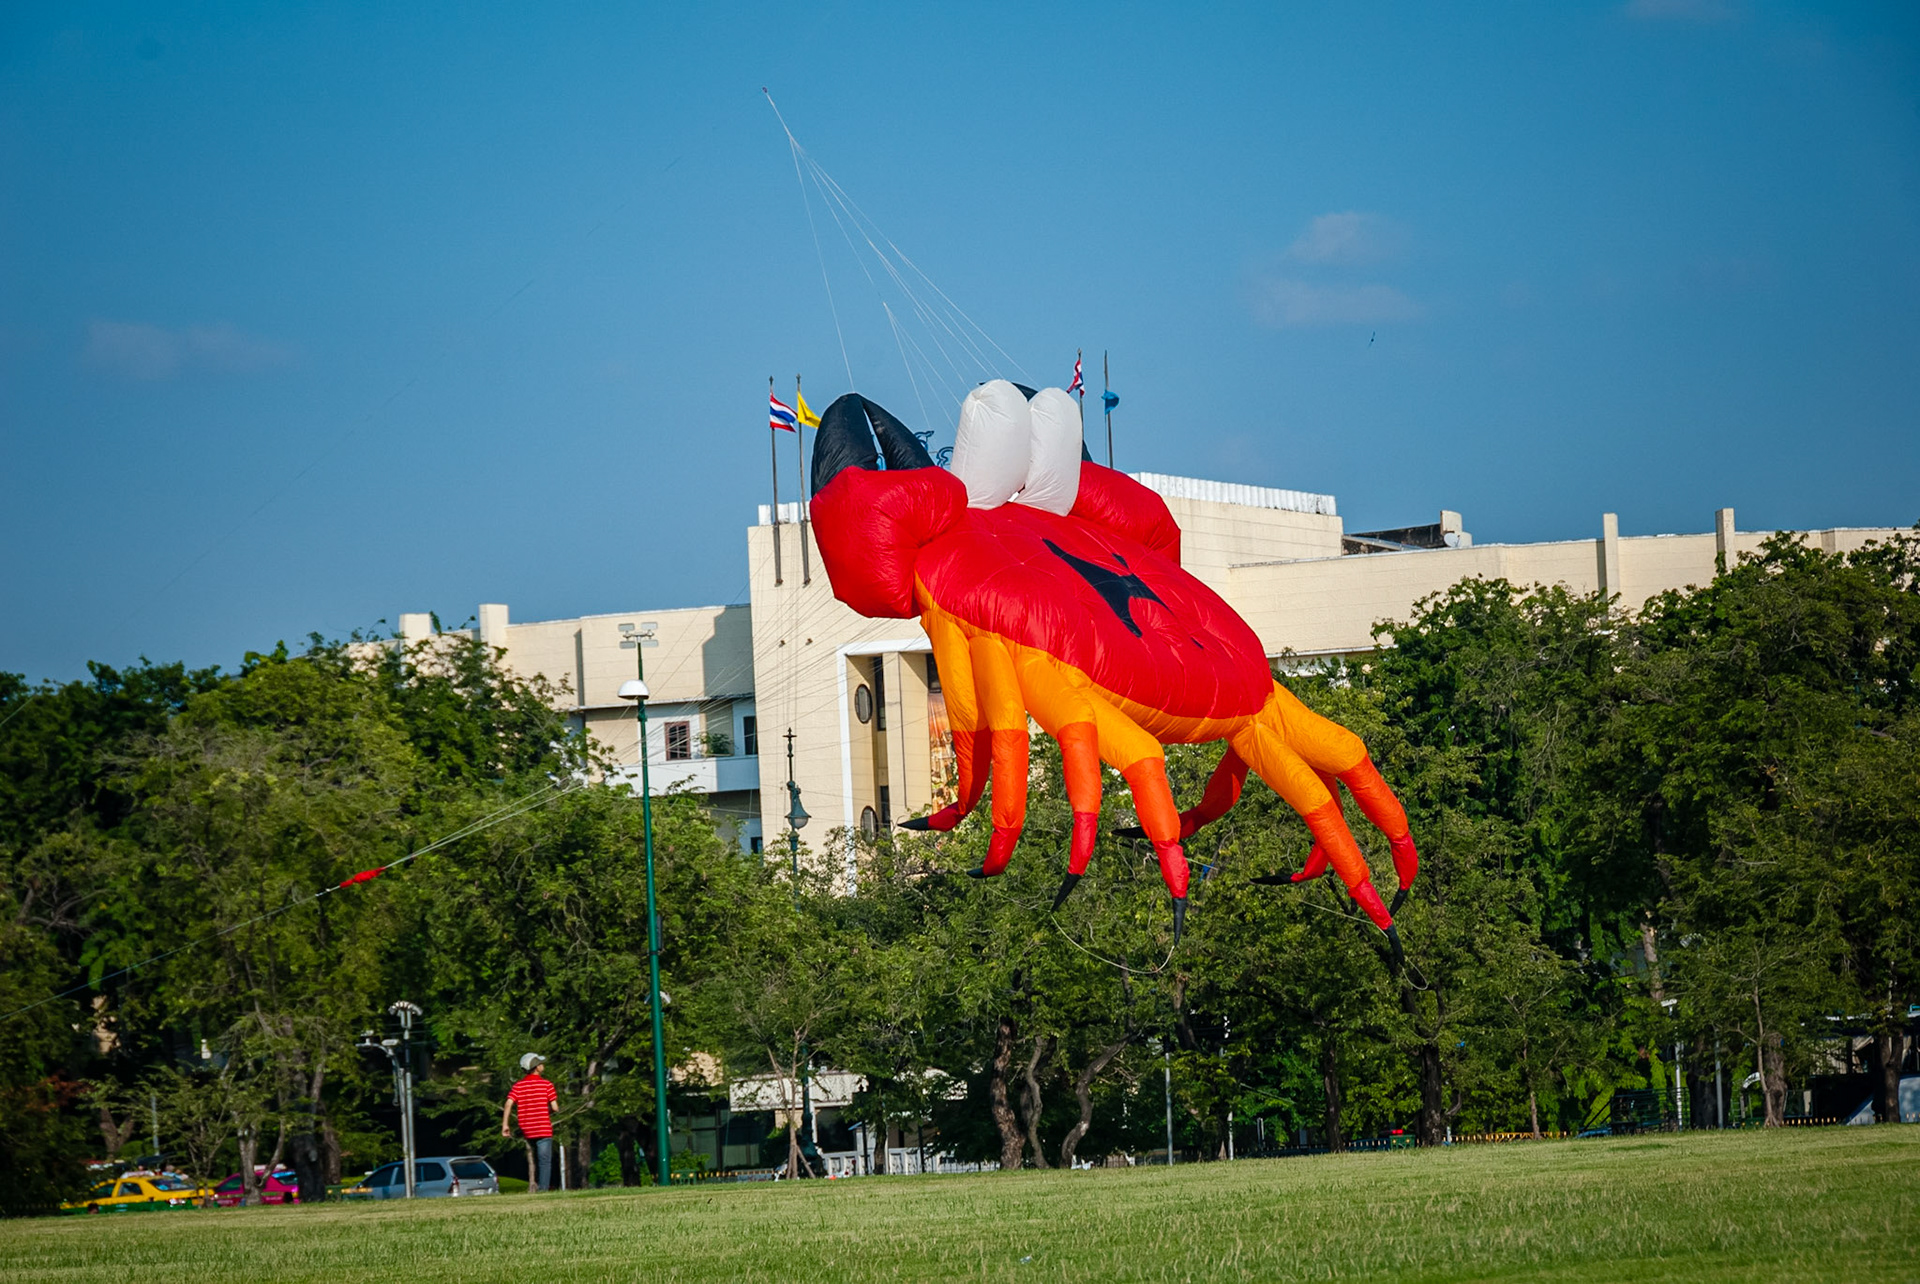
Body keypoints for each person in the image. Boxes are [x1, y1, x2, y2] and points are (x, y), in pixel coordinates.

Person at [502, 1053, 560, 1192]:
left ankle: (532, 1184)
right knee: (544, 1161)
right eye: (540, 1063)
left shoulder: (518, 1086)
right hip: (542, 1128)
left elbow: (508, 1103)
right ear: (537, 1067)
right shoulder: (546, 1085)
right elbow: (555, 1108)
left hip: (527, 1128)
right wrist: (548, 1112)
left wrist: (505, 1125)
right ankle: (543, 1189)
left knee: (534, 1156)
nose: (542, 1065)